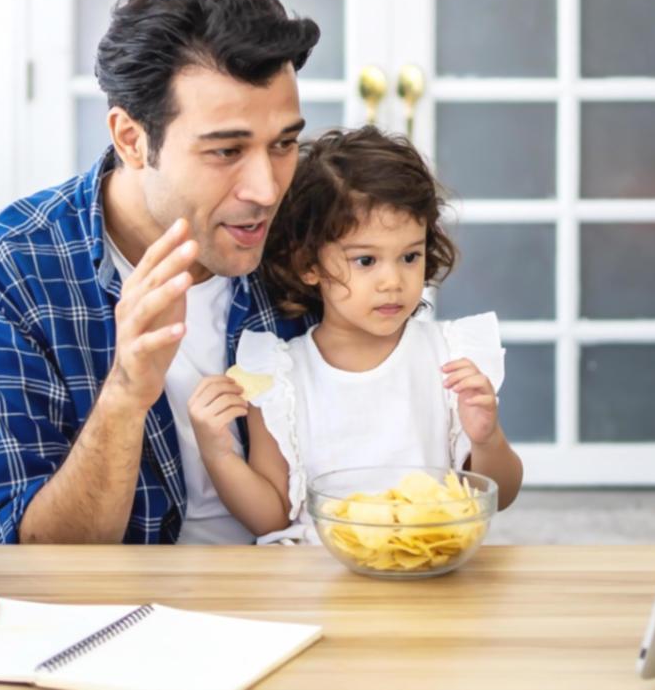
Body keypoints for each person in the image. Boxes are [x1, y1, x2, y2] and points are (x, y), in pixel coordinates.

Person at [0, 0, 320, 544]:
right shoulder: (5, 272)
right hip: (117, 618)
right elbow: (8, 559)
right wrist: (125, 394)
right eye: (226, 151)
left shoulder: (319, 235)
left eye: (284, 144)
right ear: (132, 139)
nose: (266, 190)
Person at [188, 127, 524, 543]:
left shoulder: (450, 359)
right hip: (319, 582)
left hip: (427, 567)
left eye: (409, 256)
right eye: (366, 260)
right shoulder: (280, 377)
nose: (392, 281)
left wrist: (487, 438)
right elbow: (270, 518)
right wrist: (217, 453)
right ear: (309, 265)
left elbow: (501, 495)